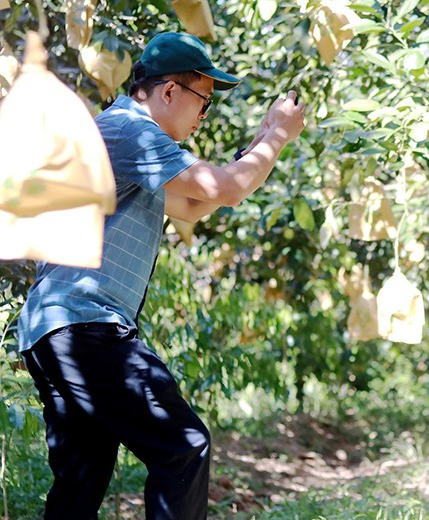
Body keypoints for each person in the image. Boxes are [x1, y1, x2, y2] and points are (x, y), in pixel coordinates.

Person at [16, 31, 305, 519]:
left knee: (82, 481)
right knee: (183, 445)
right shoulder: (131, 131)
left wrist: (260, 140)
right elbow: (227, 190)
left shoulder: (128, 145)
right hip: (85, 323)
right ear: (169, 92)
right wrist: (278, 133)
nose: (202, 116)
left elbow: (195, 205)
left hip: (56, 327)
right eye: (203, 102)